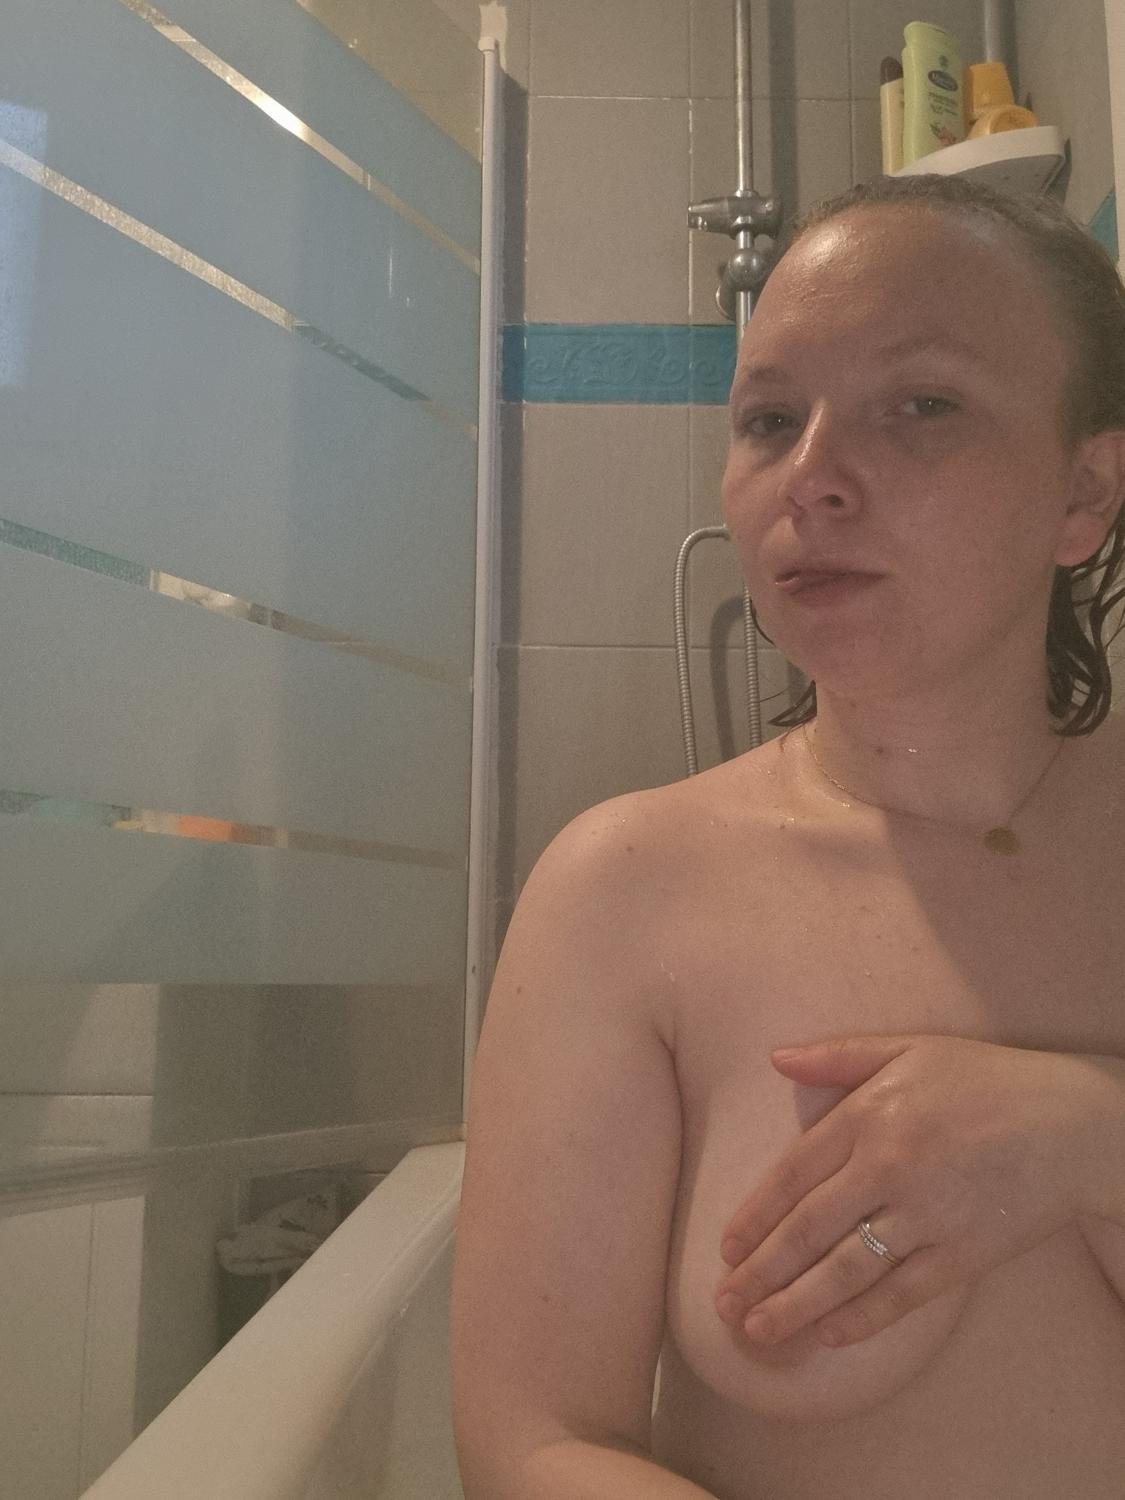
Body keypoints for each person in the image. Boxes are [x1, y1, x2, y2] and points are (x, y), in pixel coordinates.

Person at [450, 172, 1125, 1499]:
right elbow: (531, 1441)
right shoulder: (628, 893)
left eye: (920, 405)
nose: (809, 477)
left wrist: (1087, 1138)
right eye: (769, 418)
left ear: (1083, 491)